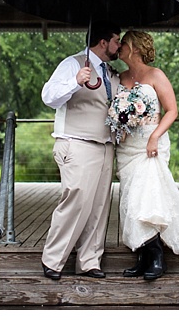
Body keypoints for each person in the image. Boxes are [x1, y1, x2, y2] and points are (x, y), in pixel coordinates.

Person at [108, 30, 179, 280]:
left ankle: (157, 256)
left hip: (151, 144)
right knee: (131, 200)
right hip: (128, 148)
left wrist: (154, 136)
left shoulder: (156, 75)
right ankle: (142, 255)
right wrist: (120, 125)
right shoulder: (120, 77)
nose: (119, 48)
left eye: (123, 44)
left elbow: (172, 111)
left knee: (147, 197)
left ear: (135, 49)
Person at [39, 22, 122, 280]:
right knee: (75, 200)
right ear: (102, 42)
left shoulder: (111, 72)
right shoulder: (73, 64)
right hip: (77, 142)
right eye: (117, 40)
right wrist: (75, 82)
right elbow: (48, 96)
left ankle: (89, 261)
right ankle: (53, 260)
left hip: (105, 146)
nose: (120, 46)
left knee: (99, 207)